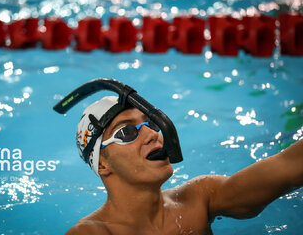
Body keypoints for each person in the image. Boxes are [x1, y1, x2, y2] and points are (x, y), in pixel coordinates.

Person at [66, 96, 303, 235]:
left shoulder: (199, 198)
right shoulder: (91, 233)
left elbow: (287, 167)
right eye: (126, 132)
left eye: (151, 123)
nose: (152, 135)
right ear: (103, 164)